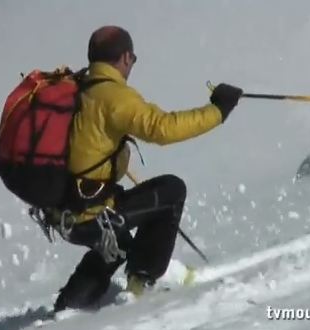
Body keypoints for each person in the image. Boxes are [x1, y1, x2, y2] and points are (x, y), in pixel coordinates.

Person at [53, 25, 243, 312]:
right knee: (171, 189)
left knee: (116, 243)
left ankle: (69, 306)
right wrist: (217, 111)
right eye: (133, 59)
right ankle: (142, 284)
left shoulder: (76, 88)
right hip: (88, 213)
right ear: (126, 57)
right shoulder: (113, 96)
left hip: (60, 213)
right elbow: (162, 128)